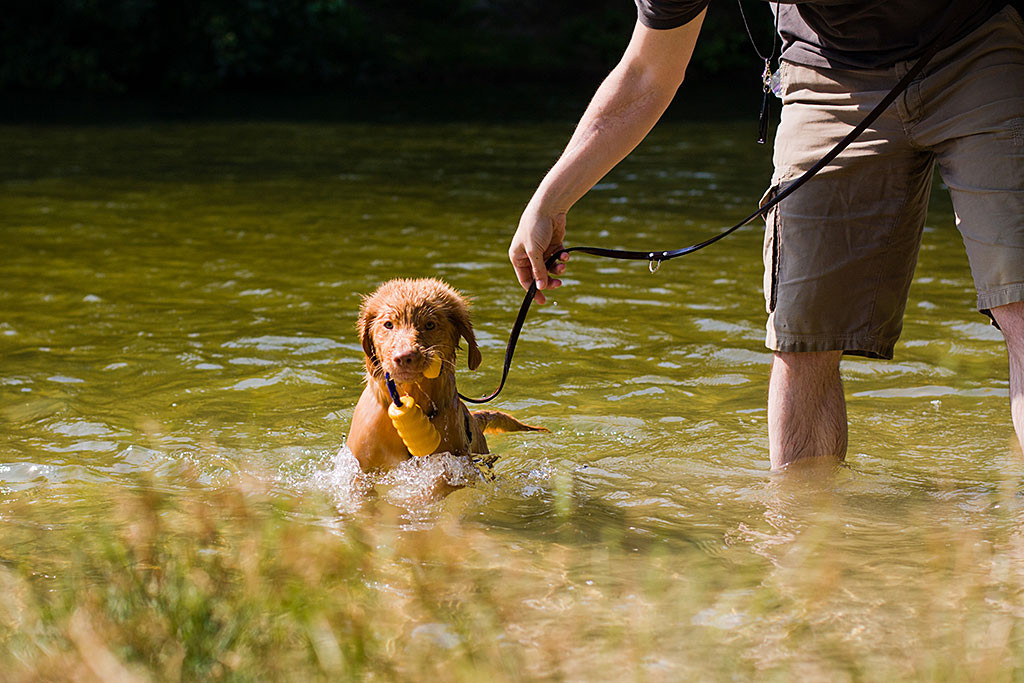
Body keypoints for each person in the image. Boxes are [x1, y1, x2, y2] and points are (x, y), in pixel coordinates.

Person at [508, 0, 1024, 469]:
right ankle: (801, 551)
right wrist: (549, 200)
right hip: (827, 70)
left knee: (1019, 299)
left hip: (976, 43)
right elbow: (647, 72)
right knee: (801, 336)